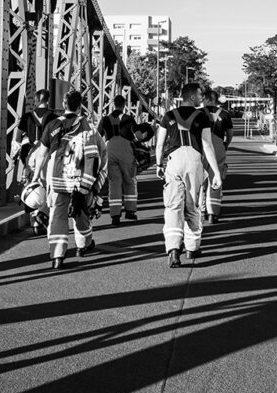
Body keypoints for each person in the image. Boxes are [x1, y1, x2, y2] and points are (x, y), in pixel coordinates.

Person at [154, 81, 222, 268]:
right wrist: (215, 172)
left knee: (173, 206)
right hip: (194, 160)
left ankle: (174, 249)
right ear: (192, 97)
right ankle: (192, 247)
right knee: (193, 205)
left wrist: (159, 164)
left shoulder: (168, 116)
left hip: (173, 161)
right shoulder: (202, 117)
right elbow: (207, 146)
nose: (203, 98)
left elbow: (159, 145)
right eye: (200, 95)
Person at [40, 90, 107, 271]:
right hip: (80, 182)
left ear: (64, 104)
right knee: (81, 213)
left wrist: (37, 176)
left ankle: (57, 256)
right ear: (79, 107)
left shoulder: (53, 124)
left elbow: (42, 154)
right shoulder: (89, 130)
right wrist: (92, 187)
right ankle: (83, 245)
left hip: (57, 180)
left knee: (58, 217)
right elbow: (100, 158)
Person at [11, 89, 56, 234]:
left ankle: (34, 222)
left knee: (31, 187)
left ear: (36, 101)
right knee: (47, 186)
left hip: (30, 155)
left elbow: (17, 137)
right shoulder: (54, 117)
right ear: (48, 101)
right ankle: (43, 213)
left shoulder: (27, 117)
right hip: (47, 155)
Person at [98, 94, 138, 224]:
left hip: (110, 149)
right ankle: (130, 211)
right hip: (126, 150)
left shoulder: (105, 119)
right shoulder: (128, 118)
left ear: (113, 104)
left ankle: (115, 215)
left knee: (114, 182)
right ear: (124, 105)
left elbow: (98, 137)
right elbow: (137, 135)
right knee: (129, 180)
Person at [199, 89, 230, 224]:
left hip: (201, 146)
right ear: (216, 100)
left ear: (206, 99)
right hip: (218, 147)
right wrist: (225, 145)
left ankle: (201, 209)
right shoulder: (224, 114)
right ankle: (213, 213)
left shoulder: (198, 113)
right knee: (215, 178)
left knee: (200, 179)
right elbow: (230, 134)